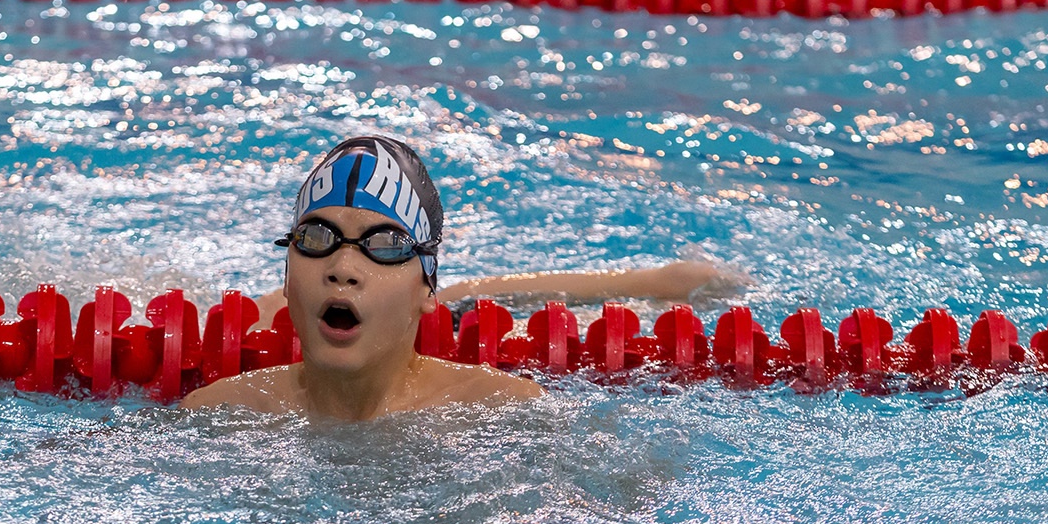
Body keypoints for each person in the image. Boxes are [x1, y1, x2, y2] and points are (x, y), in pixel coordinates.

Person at [183, 135, 723, 420]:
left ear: (425, 286)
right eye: (315, 237)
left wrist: (668, 282)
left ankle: (659, 280)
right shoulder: (218, 415)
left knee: (475, 299)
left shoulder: (503, 411)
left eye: (385, 246)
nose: (343, 270)